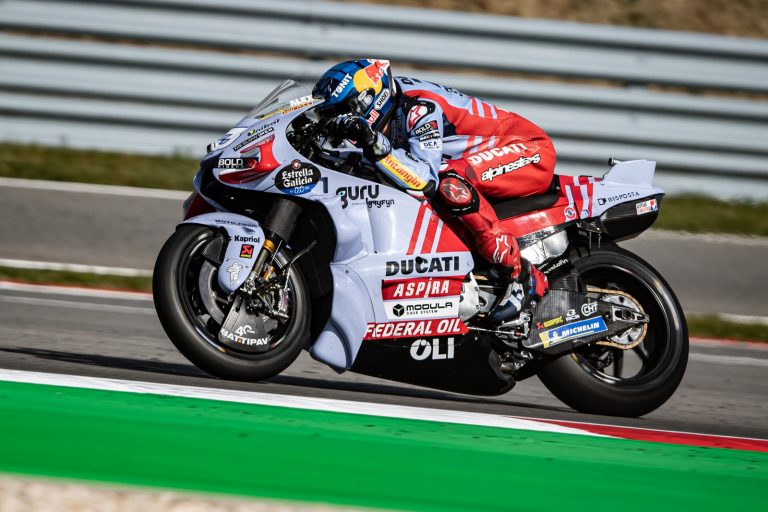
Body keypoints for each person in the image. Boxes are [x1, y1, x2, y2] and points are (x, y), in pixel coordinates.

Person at [312, 59, 551, 321]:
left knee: (446, 178)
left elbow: (424, 180)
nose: (340, 121)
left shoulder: (419, 106)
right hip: (480, 160)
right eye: (330, 115)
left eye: (343, 111)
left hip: (529, 148)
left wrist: (371, 141)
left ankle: (518, 272)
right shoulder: (391, 107)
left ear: (370, 99)